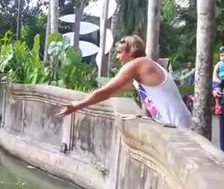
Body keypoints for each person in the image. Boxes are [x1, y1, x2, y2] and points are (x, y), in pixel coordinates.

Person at [56, 35, 192, 129]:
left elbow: (106, 92)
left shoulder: (137, 64)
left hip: (177, 124)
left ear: (132, 52)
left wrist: (78, 105)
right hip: (172, 123)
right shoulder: (141, 66)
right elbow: (113, 90)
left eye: (120, 52)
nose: (118, 57)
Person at [212, 47, 224, 115]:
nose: (223, 57)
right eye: (221, 56)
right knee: (218, 91)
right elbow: (215, 73)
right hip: (219, 80)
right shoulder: (219, 64)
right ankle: (218, 106)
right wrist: (216, 79)